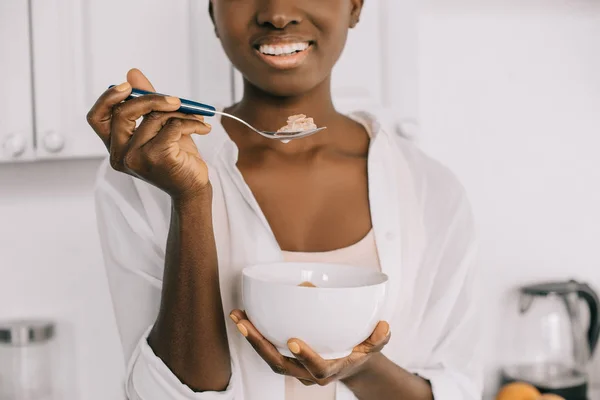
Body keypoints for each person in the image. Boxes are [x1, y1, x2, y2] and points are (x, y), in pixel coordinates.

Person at [87, 1, 483, 399]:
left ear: (355, 7)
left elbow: (457, 390)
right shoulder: (143, 174)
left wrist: (362, 369)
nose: (277, 14)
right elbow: (161, 395)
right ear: (212, 11)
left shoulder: (430, 190)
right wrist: (189, 199)